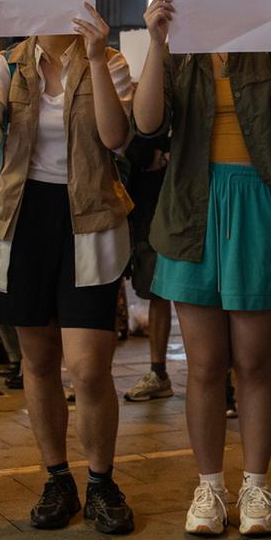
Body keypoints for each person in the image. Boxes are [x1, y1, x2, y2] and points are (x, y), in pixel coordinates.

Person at [133, 0, 271, 537]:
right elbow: (147, 122)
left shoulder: (270, 45)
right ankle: (210, 489)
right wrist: (157, 46)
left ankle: (259, 489)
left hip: (255, 201)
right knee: (207, 364)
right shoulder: (178, 47)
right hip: (191, 204)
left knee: (255, 361)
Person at [0, 0, 136, 535]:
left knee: (89, 367)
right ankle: (57, 478)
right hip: (20, 217)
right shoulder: (6, 63)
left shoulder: (109, 60)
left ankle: (102, 481)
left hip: (89, 215)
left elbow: (116, 139)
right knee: (38, 359)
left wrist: (91, 50)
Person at [122, 131, 175, 403]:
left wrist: (159, 158)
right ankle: (92, 373)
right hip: (129, 194)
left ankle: (158, 372)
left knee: (158, 287)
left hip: (153, 199)